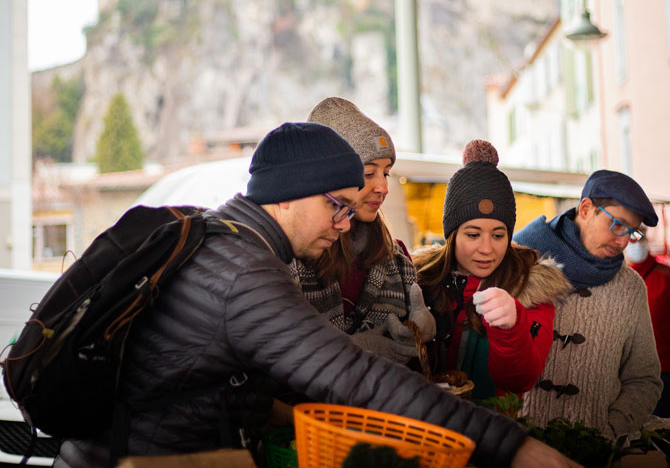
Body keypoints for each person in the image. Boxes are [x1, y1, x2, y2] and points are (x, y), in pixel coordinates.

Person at [54, 122, 578, 468]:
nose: (345, 222)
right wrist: (516, 448)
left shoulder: (226, 238)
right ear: (290, 195)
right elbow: (354, 376)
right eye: (338, 205)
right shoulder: (242, 270)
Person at [413, 139, 569, 402]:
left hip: (493, 433)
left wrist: (511, 327)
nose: (486, 249)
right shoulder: (418, 279)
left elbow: (521, 380)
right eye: (473, 234)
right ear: (451, 235)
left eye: (498, 235)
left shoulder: (531, 288)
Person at [514, 169, 663, 438]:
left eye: (632, 232)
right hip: (518, 444)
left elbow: (645, 379)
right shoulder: (520, 265)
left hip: (594, 452)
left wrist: (611, 430)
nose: (623, 241)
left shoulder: (630, 288)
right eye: (617, 224)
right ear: (585, 209)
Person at [286, 96, 433, 365]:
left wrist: (422, 330)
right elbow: (281, 358)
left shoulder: (398, 260)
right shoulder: (288, 261)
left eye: (386, 173)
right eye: (368, 174)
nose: (383, 188)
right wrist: (362, 347)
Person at [624, 230, 670, 417]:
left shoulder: (665, 276)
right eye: (631, 239)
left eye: (639, 238)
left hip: (665, 369)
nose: (635, 244)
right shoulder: (619, 279)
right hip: (628, 372)